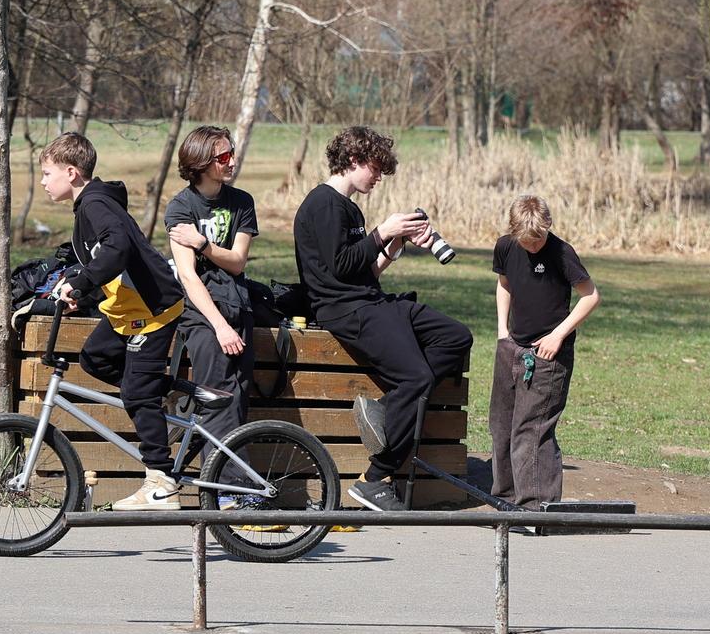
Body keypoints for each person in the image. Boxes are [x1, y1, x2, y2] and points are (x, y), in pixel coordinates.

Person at [292, 125, 474, 511]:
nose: (379, 177)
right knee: (416, 377)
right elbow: (338, 269)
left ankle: (390, 408)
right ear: (354, 160)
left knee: (456, 336)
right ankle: (375, 479)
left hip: (371, 300)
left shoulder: (349, 208)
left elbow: (363, 272)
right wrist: (381, 231)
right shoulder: (322, 204)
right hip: (347, 311)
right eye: (375, 168)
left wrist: (392, 245)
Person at [43, 132, 187, 511]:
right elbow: (105, 262)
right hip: (127, 309)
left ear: (71, 172)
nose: (43, 182)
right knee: (95, 358)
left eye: (47, 173)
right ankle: (163, 394)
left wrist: (81, 281)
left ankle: (162, 483)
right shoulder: (90, 206)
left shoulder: (94, 205)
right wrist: (84, 292)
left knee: (137, 393)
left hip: (151, 311)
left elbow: (118, 248)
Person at [490, 195, 600, 510]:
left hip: (549, 353)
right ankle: (505, 499)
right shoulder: (506, 246)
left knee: (532, 428)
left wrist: (558, 335)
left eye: (538, 240)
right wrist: (502, 331)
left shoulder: (562, 253)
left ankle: (537, 506)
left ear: (548, 227)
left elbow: (591, 296)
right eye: (527, 241)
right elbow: (504, 283)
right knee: (502, 425)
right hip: (512, 346)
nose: (533, 246)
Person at [164, 126, 258, 474]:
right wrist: (218, 326)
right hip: (203, 315)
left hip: (239, 308)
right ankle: (231, 493)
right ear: (201, 163)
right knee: (219, 398)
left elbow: (237, 261)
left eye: (231, 153)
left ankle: (223, 487)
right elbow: (188, 276)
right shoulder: (181, 207)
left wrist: (203, 244)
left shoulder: (242, 202)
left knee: (237, 400)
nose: (231, 161)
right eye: (222, 157)